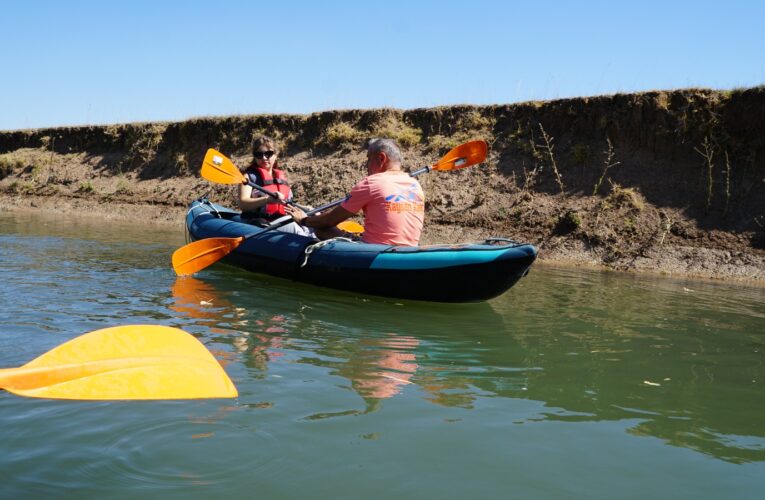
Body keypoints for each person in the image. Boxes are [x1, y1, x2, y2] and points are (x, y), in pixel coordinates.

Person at [284, 138, 425, 246]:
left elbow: (329, 221)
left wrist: (304, 220)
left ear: (381, 158)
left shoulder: (371, 183)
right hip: (409, 248)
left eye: (369, 159)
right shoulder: (415, 184)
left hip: (374, 251)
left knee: (321, 229)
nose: (367, 166)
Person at [238, 135, 313, 236]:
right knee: (293, 226)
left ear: (275, 155)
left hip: (281, 219)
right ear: (254, 156)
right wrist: (267, 199)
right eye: (259, 154)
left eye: (268, 154)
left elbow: (287, 202)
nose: (264, 158)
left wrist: (305, 208)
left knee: (312, 217)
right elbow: (243, 204)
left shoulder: (281, 177)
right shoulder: (248, 177)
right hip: (260, 224)